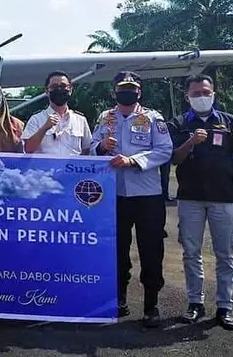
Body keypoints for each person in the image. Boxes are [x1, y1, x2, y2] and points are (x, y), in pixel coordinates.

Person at [167, 74, 233, 331]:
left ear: (214, 94)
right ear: (187, 97)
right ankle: (195, 303)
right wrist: (191, 141)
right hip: (190, 198)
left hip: (224, 199)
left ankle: (224, 307)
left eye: (205, 92)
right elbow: (173, 159)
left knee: (226, 254)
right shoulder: (178, 123)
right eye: (195, 93)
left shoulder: (231, 123)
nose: (201, 97)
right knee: (191, 253)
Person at [89, 71, 173, 327]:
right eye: (122, 88)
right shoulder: (106, 117)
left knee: (150, 249)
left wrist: (134, 160)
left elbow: (164, 150)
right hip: (114, 195)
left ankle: (151, 305)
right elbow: (92, 145)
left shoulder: (152, 117)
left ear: (139, 92)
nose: (127, 92)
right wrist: (100, 147)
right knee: (117, 250)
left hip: (147, 194)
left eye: (132, 88)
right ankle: (119, 300)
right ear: (114, 92)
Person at [22, 70, 92, 155]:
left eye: (63, 86)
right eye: (54, 87)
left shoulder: (81, 120)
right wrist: (44, 128)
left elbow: (87, 150)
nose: (59, 89)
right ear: (47, 91)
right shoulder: (36, 119)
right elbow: (28, 149)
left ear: (70, 90)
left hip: (71, 168)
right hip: (44, 168)